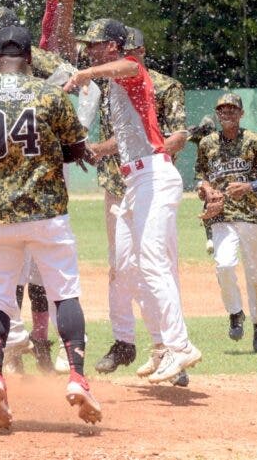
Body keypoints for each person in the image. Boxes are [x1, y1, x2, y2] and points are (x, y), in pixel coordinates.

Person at [0, 25, 100, 430]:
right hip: (47, 213)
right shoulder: (48, 94)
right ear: (29, 57)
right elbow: (77, 148)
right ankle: (77, 376)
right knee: (65, 293)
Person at [64, 19, 201, 385]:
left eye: (94, 44)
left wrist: (84, 74)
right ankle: (160, 346)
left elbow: (130, 66)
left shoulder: (130, 69)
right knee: (130, 266)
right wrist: (92, 150)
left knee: (155, 262)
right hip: (134, 179)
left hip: (156, 176)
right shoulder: (113, 82)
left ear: (112, 45)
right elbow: (126, 139)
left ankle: (180, 345)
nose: (88, 49)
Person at [195, 93, 257, 353]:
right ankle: (235, 313)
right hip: (222, 216)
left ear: (241, 114)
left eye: (232, 109)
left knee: (255, 274)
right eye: (222, 110)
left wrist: (250, 185)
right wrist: (205, 189)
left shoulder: (254, 141)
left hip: (252, 216)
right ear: (217, 114)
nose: (227, 113)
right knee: (224, 265)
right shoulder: (208, 143)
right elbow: (201, 176)